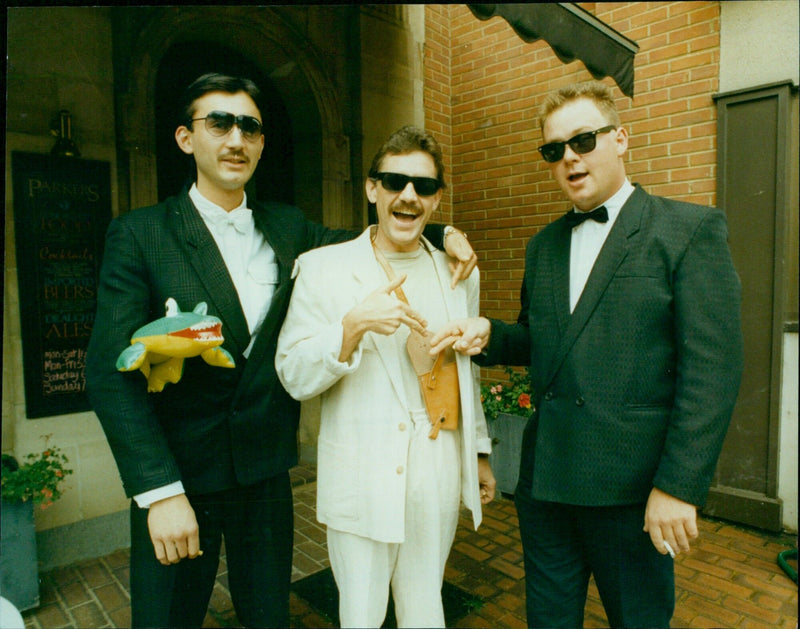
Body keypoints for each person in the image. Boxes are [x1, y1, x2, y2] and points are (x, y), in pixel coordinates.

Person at [85, 74, 476, 628]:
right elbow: (107, 375)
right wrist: (158, 491)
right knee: (166, 619)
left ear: (262, 143)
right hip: (183, 479)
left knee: (269, 618)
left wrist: (445, 237)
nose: (235, 139)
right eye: (217, 123)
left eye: (249, 126)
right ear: (184, 138)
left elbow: (379, 237)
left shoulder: (290, 227)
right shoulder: (141, 234)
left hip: (265, 479)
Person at [430, 81, 743, 628]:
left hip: (634, 492)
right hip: (547, 484)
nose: (569, 158)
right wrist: (490, 333)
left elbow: (711, 373)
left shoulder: (688, 230)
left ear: (620, 139)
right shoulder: (543, 245)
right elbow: (541, 339)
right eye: (554, 150)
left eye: (583, 140)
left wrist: (678, 486)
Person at [276, 125, 497, 628]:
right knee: (361, 614)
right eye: (395, 181)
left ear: (438, 199)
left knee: (425, 607)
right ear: (372, 189)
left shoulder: (459, 271)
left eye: (423, 186)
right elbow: (291, 374)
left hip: (437, 465)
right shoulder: (322, 268)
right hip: (359, 472)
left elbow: (468, 372)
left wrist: (478, 452)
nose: (408, 195)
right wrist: (351, 328)